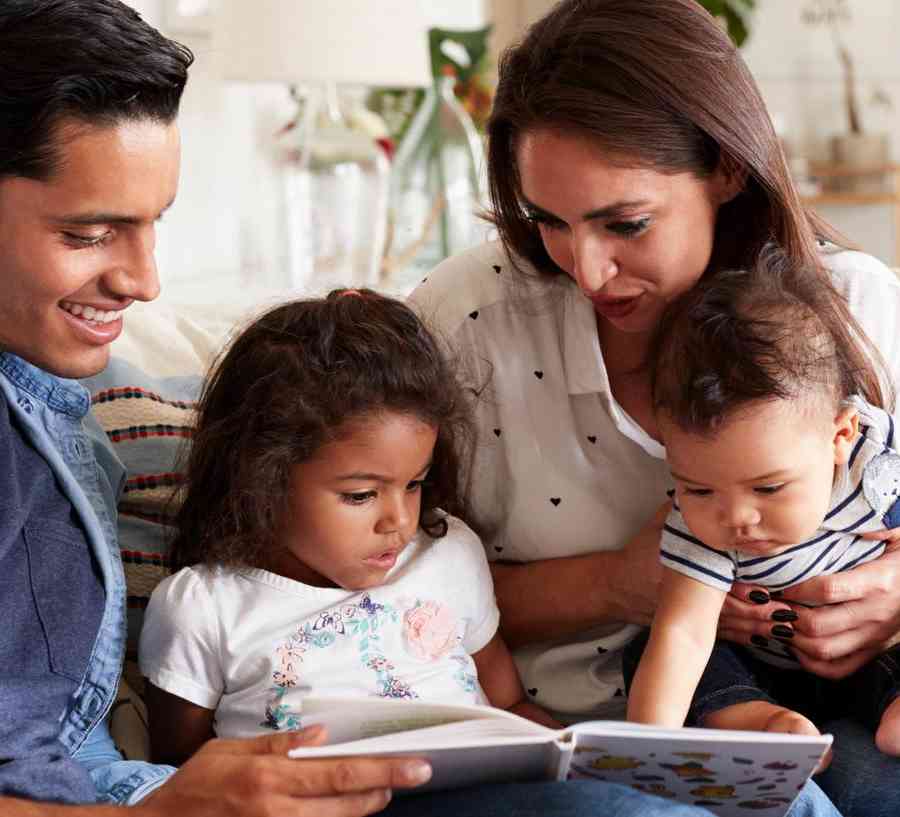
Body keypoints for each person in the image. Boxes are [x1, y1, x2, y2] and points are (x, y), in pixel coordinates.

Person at [0, 2, 720, 815]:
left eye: (152, 225)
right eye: (90, 232)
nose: (144, 280)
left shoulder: (53, 409)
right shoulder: (204, 596)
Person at [407, 0, 900, 814]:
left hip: (838, 708)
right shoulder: (469, 322)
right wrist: (617, 583)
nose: (588, 271)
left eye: (625, 222)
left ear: (727, 168)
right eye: (550, 222)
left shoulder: (858, 311)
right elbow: (362, 588)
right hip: (553, 738)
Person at [139, 290, 558, 764]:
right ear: (262, 479)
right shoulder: (203, 608)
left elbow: (509, 705)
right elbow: (181, 779)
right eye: (360, 496)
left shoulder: (449, 552)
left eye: (415, 484)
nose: (399, 522)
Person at [624, 250, 900, 762]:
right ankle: (761, 722)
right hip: (766, 673)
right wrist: (644, 756)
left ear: (841, 435)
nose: (737, 519)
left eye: (769, 489)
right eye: (700, 489)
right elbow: (684, 634)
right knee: (652, 648)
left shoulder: (877, 461)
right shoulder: (694, 527)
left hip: (873, 657)